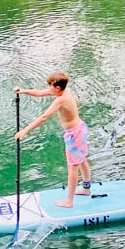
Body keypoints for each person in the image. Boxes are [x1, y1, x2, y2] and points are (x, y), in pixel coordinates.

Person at [14, 72, 96, 206]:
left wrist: (25, 131)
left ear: (57, 88)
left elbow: (43, 117)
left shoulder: (61, 100)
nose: (49, 89)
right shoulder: (65, 91)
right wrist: (23, 91)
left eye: (50, 87)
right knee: (82, 160)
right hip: (80, 128)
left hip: (74, 135)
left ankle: (69, 201)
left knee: (73, 167)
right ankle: (86, 189)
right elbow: (40, 93)